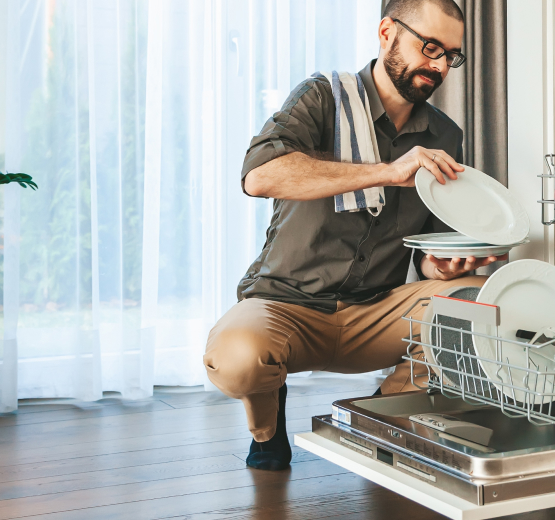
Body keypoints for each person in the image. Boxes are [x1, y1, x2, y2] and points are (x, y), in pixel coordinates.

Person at [204, 0, 504, 471]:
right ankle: (266, 428)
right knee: (238, 359)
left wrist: (444, 264)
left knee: (473, 302)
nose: (441, 65)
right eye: (430, 47)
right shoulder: (322, 97)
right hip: (287, 304)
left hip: (374, 309)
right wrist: (385, 172)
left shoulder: (445, 136)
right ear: (387, 33)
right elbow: (259, 176)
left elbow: (429, 250)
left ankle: (381, 415)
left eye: (451, 55)